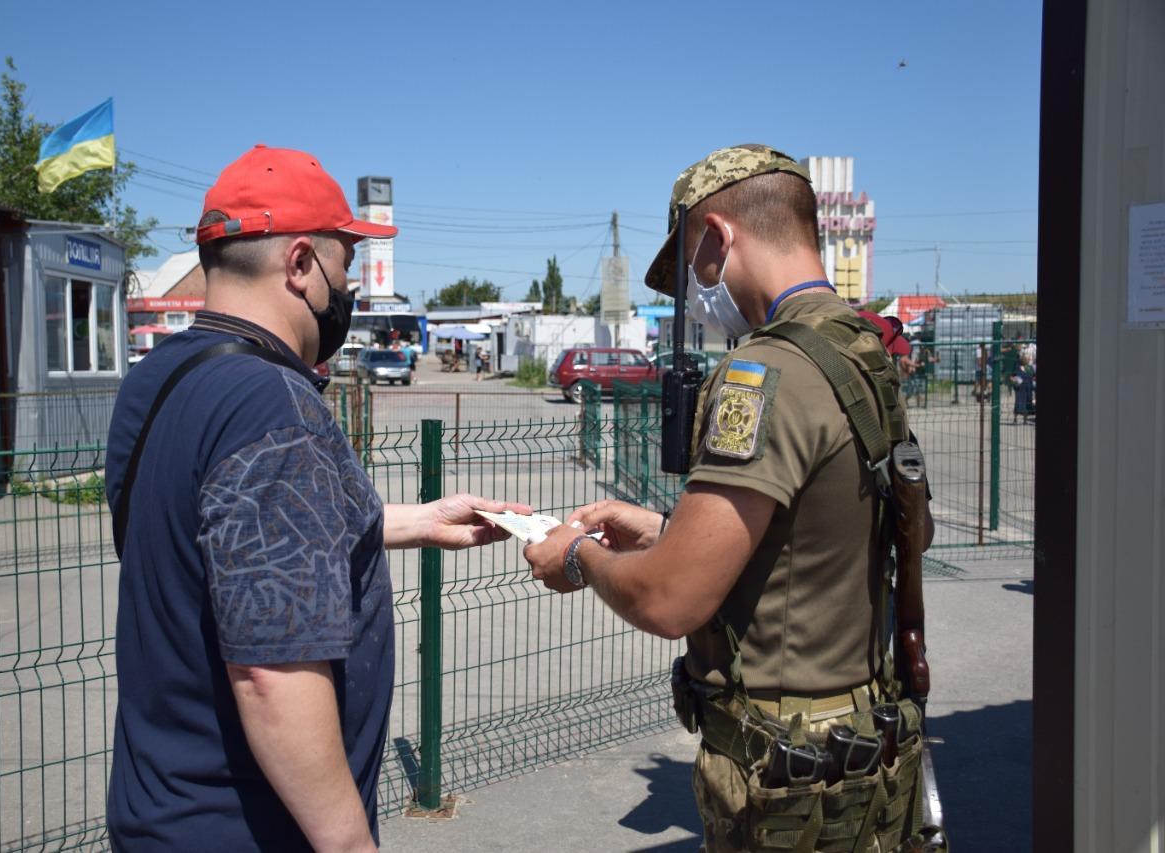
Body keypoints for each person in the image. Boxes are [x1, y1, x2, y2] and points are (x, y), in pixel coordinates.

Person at [104, 144, 529, 852]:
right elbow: (271, 673)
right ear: (300, 265)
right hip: (249, 828)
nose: (349, 288)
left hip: (157, 810)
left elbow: (224, 535)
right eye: (344, 266)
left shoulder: (160, 378)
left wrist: (419, 520)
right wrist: (349, 842)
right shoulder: (270, 405)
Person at [523, 144, 937, 852]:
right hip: (862, 746)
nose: (699, 286)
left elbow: (670, 599)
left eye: (694, 265)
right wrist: (666, 528)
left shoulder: (767, 372)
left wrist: (579, 556)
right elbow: (867, 528)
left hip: (789, 774)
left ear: (719, 235)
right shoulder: (860, 349)